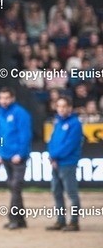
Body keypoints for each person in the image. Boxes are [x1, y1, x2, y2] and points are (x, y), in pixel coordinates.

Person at [0, 87, 32, 230]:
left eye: (6, 98)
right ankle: (20, 220)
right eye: (1, 98)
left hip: (17, 157)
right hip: (5, 155)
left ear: (12, 98)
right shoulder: (0, 114)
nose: (3, 101)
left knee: (16, 186)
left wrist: (20, 154)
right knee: (13, 187)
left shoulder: (20, 113)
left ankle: (14, 218)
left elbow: (25, 135)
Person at [46, 96, 83, 232]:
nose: (61, 109)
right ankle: (60, 221)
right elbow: (51, 141)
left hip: (68, 163)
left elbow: (70, 145)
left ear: (70, 108)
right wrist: (51, 156)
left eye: (64, 106)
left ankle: (74, 222)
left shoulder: (75, 124)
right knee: (57, 193)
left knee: (71, 193)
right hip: (56, 163)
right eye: (59, 106)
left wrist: (54, 156)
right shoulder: (57, 123)